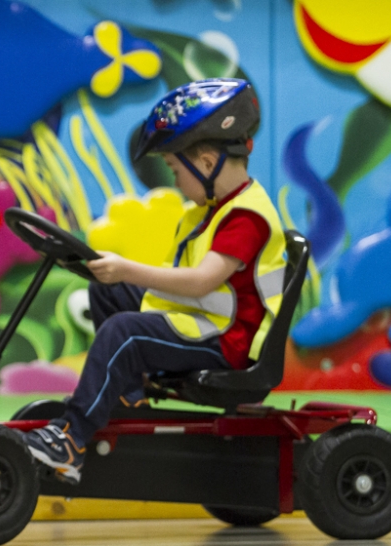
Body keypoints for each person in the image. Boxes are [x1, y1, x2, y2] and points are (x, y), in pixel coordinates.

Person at [24, 78, 287, 484]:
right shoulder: (214, 209)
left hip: (226, 343)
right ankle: (129, 398)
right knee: (108, 291)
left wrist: (126, 268)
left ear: (206, 163)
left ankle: (70, 441)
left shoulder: (245, 217)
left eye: (175, 170)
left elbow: (201, 282)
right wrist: (117, 276)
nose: (175, 181)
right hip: (206, 324)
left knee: (124, 333)